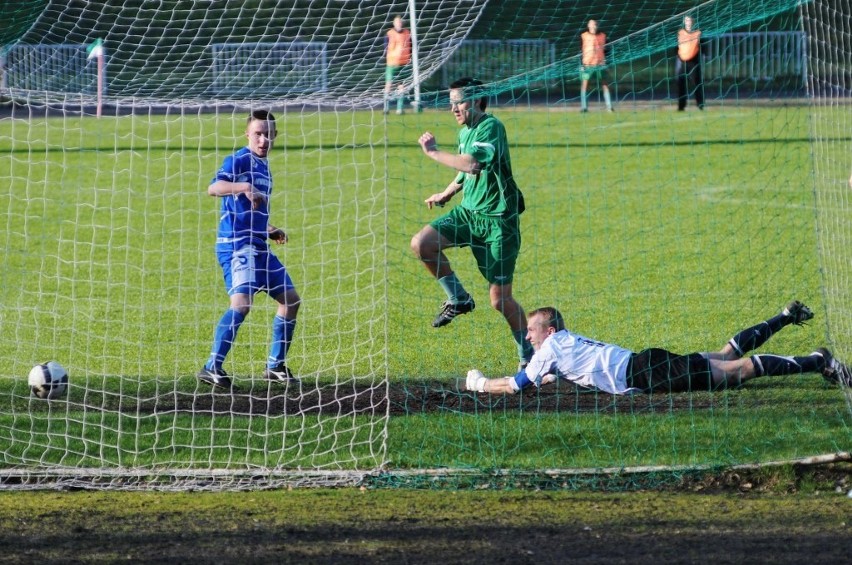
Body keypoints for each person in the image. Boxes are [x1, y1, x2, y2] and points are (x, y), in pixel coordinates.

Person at [466, 301, 852, 395]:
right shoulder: (563, 342)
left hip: (644, 372)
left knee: (735, 371)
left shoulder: (549, 349)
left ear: (549, 331)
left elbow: (517, 385)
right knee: (723, 354)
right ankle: (784, 316)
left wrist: (480, 384)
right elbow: (562, 369)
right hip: (643, 361)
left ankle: (818, 360)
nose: (528, 337)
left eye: (532, 332)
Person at [411, 77, 533, 368]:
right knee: (422, 244)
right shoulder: (467, 130)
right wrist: (446, 193)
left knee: (500, 300)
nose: (454, 107)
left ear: (478, 100)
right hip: (468, 215)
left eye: (460, 101)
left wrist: (433, 152)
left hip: (498, 223)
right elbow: (467, 173)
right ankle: (459, 299)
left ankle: (529, 358)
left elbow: (472, 164)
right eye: (451, 101)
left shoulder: (491, 127)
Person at [197, 110, 301, 390]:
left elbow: (251, 211)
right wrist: (243, 186)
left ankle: (275, 365)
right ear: (247, 134)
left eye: (269, 134)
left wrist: (270, 229)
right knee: (242, 305)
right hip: (236, 246)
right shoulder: (238, 160)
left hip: (258, 244)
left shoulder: (265, 167)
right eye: (258, 133)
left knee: (291, 300)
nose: (264, 139)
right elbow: (213, 187)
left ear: (276, 136)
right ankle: (211, 367)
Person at [579, 19, 613, 113]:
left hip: (600, 64)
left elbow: (608, 50)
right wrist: (581, 64)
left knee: (605, 84)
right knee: (585, 85)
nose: (594, 26)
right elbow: (580, 51)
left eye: (595, 25)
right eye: (592, 25)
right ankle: (584, 107)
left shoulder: (603, 36)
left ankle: (609, 107)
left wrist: (608, 63)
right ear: (588, 26)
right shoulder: (583, 36)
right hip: (587, 65)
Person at [675, 15, 705, 111]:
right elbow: (676, 47)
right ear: (684, 22)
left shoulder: (698, 33)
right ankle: (681, 106)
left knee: (697, 83)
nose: (688, 23)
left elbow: (703, 47)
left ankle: (700, 105)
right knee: (680, 83)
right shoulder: (680, 33)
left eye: (690, 21)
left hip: (694, 61)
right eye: (687, 21)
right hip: (682, 61)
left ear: (693, 22)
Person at [384, 15, 412, 115]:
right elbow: (385, 47)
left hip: (403, 63)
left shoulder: (407, 33)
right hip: (391, 63)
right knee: (389, 85)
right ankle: (386, 108)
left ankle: (399, 109)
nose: (399, 24)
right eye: (397, 22)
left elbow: (411, 45)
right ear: (394, 24)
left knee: (401, 86)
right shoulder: (389, 34)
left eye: (400, 22)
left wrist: (410, 57)